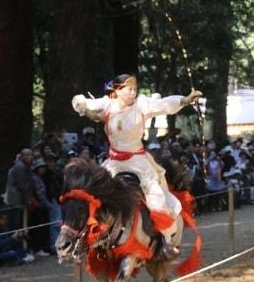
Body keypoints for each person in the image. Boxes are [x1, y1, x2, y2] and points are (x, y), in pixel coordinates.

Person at [72, 74, 202, 260]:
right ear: (117, 91)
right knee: (93, 194)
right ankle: (83, 237)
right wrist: (84, 108)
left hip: (138, 160)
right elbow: (78, 100)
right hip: (114, 161)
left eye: (134, 89)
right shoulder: (107, 104)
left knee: (157, 197)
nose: (133, 92)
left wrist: (184, 100)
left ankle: (165, 241)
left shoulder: (141, 105)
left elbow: (164, 105)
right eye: (128, 89)